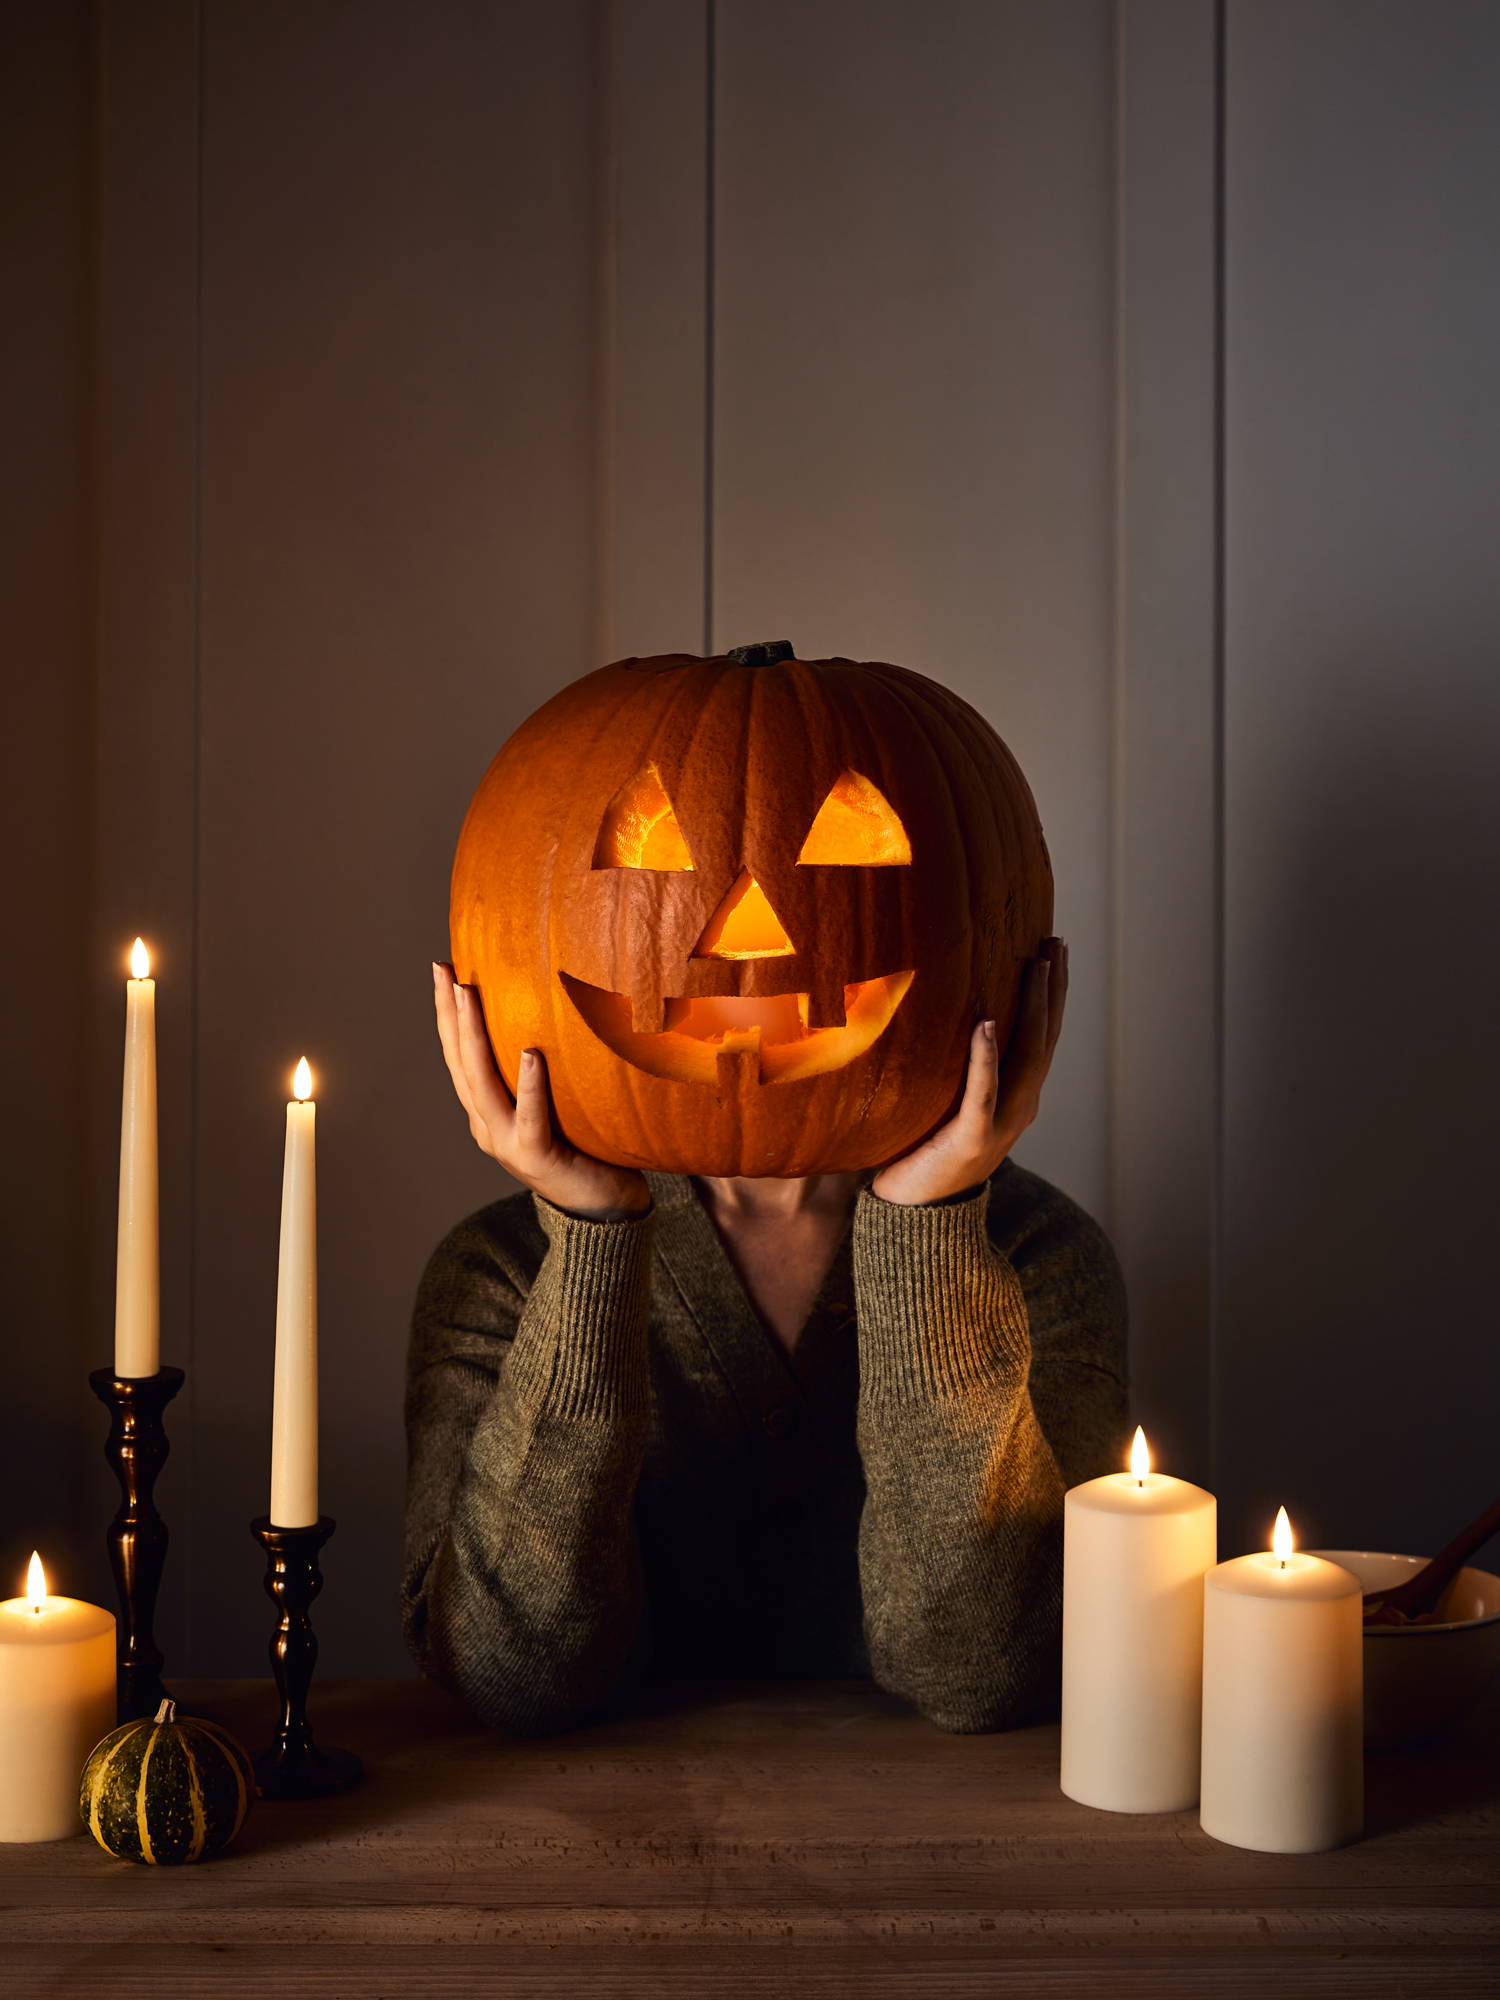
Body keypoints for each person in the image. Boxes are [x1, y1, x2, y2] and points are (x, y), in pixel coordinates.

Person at [402, 936, 1127, 1736]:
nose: (754, 929)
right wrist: (591, 1237)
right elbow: (513, 1675)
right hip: (601, 1831)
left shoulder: (1039, 1254)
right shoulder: (500, 1268)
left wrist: (927, 1232)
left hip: (946, 1836)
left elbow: (984, 1673)